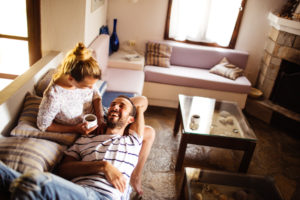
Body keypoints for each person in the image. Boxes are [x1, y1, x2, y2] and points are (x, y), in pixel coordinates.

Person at [37, 42, 154, 195]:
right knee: (148, 131)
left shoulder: (87, 77)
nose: (90, 89)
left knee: (144, 113)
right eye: (86, 86)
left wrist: (101, 118)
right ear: (71, 79)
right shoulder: (54, 96)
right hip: (84, 127)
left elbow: (96, 96)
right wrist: (76, 129)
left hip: (100, 116)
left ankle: (135, 175)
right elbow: (44, 125)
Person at [0, 95, 145, 199]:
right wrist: (102, 166)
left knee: (33, 182)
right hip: (76, 191)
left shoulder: (133, 140)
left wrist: (133, 108)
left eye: (121, 106)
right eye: (113, 104)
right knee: (28, 183)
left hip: (105, 196)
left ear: (131, 120)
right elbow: (63, 170)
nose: (115, 107)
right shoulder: (85, 139)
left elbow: (142, 100)